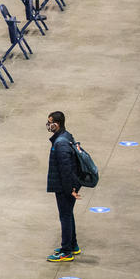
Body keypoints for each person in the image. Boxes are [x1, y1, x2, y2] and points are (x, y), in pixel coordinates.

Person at [46, 111, 82, 262]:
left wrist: (70, 190)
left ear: (57, 124)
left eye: (50, 122)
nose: (48, 125)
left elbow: (66, 170)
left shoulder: (60, 144)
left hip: (64, 187)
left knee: (65, 217)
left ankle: (66, 251)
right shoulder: (66, 136)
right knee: (68, 215)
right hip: (67, 185)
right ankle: (73, 245)